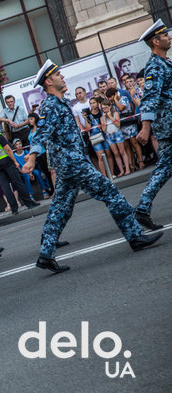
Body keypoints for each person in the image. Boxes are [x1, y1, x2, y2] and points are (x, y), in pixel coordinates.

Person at [21, 59, 162, 273]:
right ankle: (135, 236)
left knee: (61, 207)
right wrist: (31, 158)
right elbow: (41, 134)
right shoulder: (50, 105)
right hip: (72, 162)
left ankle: (46, 254)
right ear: (49, 81)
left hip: (68, 163)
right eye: (58, 75)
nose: (63, 77)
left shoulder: (58, 102)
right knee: (110, 192)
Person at [134, 19, 172, 230]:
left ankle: (142, 208)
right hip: (169, 124)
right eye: (165, 35)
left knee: (164, 167)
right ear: (155, 41)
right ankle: (141, 209)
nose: (169, 37)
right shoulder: (154, 66)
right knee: (164, 167)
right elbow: (150, 98)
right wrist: (146, 127)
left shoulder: (165, 63)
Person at [0, 119, 40, 215]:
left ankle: (14, 209)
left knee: (5, 187)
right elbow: (8, 149)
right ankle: (29, 203)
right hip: (6, 161)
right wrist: (15, 161)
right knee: (17, 182)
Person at [107, 77, 144, 171]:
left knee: (134, 142)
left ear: (114, 94)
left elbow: (121, 108)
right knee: (127, 145)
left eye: (111, 96)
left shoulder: (123, 98)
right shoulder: (112, 103)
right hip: (122, 125)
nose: (110, 99)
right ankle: (131, 164)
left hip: (129, 124)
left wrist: (115, 99)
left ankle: (140, 161)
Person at [82, 97, 114, 178]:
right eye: (91, 103)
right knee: (100, 156)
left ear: (97, 103)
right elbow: (87, 128)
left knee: (108, 154)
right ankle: (105, 176)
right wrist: (85, 118)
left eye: (94, 103)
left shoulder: (101, 112)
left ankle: (112, 173)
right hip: (95, 136)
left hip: (105, 134)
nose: (92, 105)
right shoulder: (89, 115)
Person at [100, 98, 131, 176]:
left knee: (122, 151)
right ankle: (121, 171)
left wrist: (110, 116)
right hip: (109, 135)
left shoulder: (115, 113)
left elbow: (118, 124)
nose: (104, 110)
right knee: (115, 153)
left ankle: (127, 169)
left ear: (110, 106)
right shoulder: (101, 118)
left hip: (117, 133)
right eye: (103, 108)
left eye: (106, 107)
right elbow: (103, 129)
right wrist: (104, 118)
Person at [28, 113, 55, 196]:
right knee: (45, 173)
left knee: (50, 171)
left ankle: (55, 189)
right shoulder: (30, 131)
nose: (30, 121)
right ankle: (52, 188)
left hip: (43, 152)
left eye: (31, 119)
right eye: (29, 119)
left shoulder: (40, 129)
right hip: (37, 155)